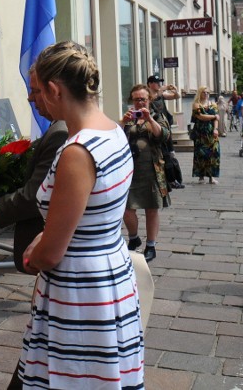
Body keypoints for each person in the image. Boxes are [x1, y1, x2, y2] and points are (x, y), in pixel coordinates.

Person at [11, 41, 143, 389]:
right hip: (110, 277)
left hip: (80, 291)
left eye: (37, 91)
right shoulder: (113, 130)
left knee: (75, 379)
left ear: (55, 90)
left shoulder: (77, 150)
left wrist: (34, 255)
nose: (35, 100)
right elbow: (91, 216)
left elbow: (53, 252)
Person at [0, 69, 68, 274]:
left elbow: (36, 194)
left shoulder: (61, 132)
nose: (29, 98)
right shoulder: (58, 128)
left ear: (53, 90)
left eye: (35, 90)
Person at [122, 84, 171, 262]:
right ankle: (134, 238)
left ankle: (151, 245)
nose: (139, 102)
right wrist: (121, 122)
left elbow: (164, 135)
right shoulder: (129, 118)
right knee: (126, 208)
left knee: (151, 209)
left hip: (152, 169)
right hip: (130, 170)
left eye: (142, 99)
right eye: (136, 99)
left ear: (149, 100)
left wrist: (150, 119)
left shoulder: (157, 116)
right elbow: (115, 136)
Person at [147, 74, 184, 189]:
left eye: (160, 82)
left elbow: (176, 97)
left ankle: (172, 178)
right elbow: (150, 99)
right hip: (155, 129)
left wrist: (176, 90)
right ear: (150, 84)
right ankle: (169, 180)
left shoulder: (161, 95)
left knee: (170, 153)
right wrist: (163, 89)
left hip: (166, 127)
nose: (159, 84)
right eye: (157, 82)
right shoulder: (147, 95)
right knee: (163, 154)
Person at [190, 86, 221, 184]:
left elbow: (217, 119)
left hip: (211, 132)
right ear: (200, 93)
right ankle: (201, 176)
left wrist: (216, 129)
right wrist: (214, 116)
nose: (206, 94)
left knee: (214, 154)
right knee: (201, 154)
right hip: (200, 133)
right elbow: (201, 117)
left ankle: (212, 177)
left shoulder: (213, 104)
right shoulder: (196, 104)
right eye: (204, 92)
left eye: (207, 92)